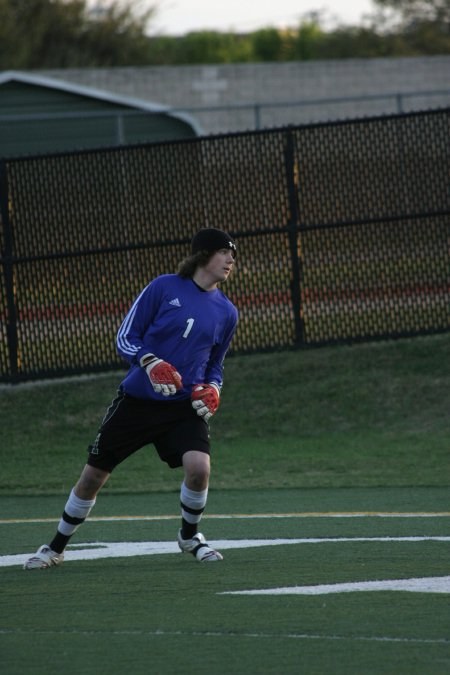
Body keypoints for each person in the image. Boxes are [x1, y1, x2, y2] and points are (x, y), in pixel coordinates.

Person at [24, 227, 238, 569]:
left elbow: (216, 364)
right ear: (203, 256)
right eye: (224, 252)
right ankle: (54, 547)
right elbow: (126, 336)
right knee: (92, 477)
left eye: (233, 255)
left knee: (199, 469)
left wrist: (214, 389)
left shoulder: (227, 312)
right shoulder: (164, 287)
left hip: (182, 406)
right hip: (137, 401)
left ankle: (189, 536)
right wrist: (150, 362)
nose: (230, 260)